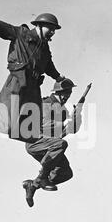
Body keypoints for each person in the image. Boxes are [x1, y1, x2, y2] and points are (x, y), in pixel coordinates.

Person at [0, 0, 71, 142]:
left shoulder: (44, 47)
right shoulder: (21, 34)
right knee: (9, 122)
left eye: (54, 30)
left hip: (33, 88)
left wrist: (58, 77)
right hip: (17, 82)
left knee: (26, 131)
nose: (52, 32)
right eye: (50, 28)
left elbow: (48, 65)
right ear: (39, 26)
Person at [22, 79, 82, 207]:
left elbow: (69, 131)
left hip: (51, 145)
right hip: (36, 142)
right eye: (66, 94)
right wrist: (67, 123)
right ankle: (42, 178)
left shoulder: (63, 110)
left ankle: (33, 185)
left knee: (66, 173)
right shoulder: (45, 104)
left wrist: (77, 117)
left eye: (69, 94)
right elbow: (46, 126)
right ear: (59, 93)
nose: (67, 97)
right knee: (61, 144)